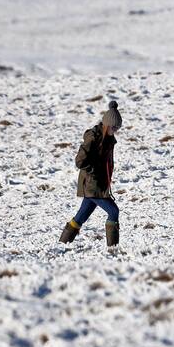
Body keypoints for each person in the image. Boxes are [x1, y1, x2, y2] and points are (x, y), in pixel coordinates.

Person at [60, 100, 122, 247]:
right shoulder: (93, 137)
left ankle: (62, 244)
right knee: (114, 212)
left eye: (118, 127)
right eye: (114, 126)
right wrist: (94, 171)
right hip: (92, 185)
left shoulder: (108, 139)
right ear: (107, 124)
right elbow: (80, 161)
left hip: (98, 186)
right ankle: (113, 249)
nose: (116, 129)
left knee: (80, 217)